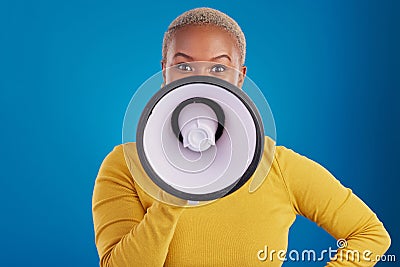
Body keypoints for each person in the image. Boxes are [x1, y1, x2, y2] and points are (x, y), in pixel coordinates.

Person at [92, 7, 390, 267]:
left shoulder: (278, 168)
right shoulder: (125, 166)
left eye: (219, 67)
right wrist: (172, 196)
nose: (201, 79)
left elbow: (370, 235)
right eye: (183, 66)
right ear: (165, 73)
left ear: (240, 78)